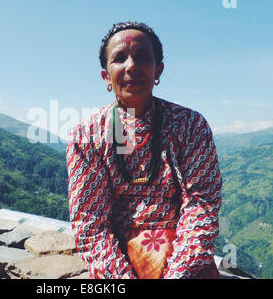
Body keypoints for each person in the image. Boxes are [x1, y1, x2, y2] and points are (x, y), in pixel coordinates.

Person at [66, 22, 222, 279]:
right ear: (106, 75)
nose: (131, 66)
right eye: (119, 58)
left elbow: (202, 204)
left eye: (142, 57)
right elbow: (90, 223)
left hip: (183, 257)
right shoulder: (86, 136)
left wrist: (178, 273)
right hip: (115, 259)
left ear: (157, 69)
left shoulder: (189, 125)